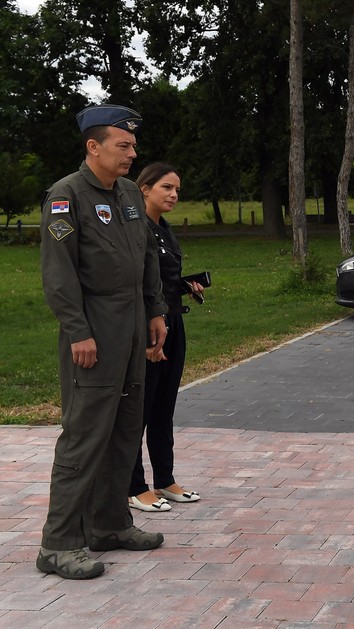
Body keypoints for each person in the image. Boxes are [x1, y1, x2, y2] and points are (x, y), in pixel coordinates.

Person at [37, 104, 169, 580]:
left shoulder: (131, 193)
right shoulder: (65, 195)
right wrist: (78, 331)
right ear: (93, 146)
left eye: (133, 145)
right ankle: (58, 543)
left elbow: (146, 255)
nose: (132, 153)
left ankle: (110, 525)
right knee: (85, 436)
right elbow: (58, 274)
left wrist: (156, 309)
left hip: (134, 322)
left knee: (125, 429)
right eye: (123, 145)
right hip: (93, 326)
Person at [128, 163, 204, 512]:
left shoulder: (164, 228)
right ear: (144, 188)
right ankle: (135, 486)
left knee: (163, 408)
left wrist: (185, 284)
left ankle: (165, 480)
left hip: (174, 323)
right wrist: (148, 337)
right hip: (149, 328)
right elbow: (138, 283)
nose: (174, 195)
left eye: (177, 189)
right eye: (166, 188)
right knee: (139, 410)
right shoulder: (135, 228)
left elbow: (160, 277)